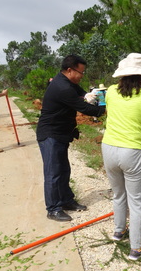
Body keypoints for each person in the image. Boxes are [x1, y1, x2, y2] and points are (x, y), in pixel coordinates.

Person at [102, 53, 141, 261]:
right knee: (136, 201)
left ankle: (118, 231)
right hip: (132, 151)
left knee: (118, 194)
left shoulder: (110, 91)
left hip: (109, 147)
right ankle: (136, 248)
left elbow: (109, 114)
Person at [36, 55, 105, 222]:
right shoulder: (62, 87)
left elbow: (80, 93)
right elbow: (85, 109)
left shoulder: (67, 82)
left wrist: (90, 94)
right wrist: (105, 107)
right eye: (80, 72)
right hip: (50, 134)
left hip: (61, 133)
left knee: (63, 169)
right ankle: (53, 208)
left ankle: (66, 200)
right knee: (53, 172)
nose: (82, 75)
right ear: (69, 70)